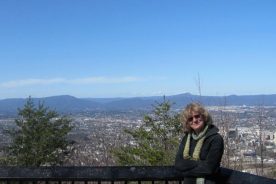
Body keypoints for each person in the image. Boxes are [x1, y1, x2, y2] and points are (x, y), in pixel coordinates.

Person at [175, 102, 224, 184]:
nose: (194, 120)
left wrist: (184, 171)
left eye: (197, 116)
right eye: (190, 118)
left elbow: (209, 168)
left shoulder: (215, 139)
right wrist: (200, 163)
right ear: (187, 122)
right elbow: (178, 163)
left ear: (204, 117)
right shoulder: (187, 138)